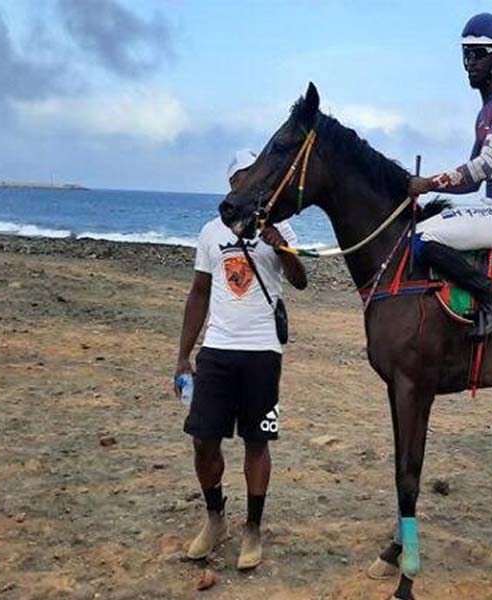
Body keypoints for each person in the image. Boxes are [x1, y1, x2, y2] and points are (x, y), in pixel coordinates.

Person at [173, 149, 307, 570]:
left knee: (257, 441)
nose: (244, 185)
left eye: (251, 178)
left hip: (263, 351)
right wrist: (182, 357)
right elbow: (198, 294)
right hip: (216, 350)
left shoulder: (279, 226)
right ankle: (215, 519)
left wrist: (281, 246)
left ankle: (252, 526)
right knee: (202, 439)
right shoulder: (211, 232)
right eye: (238, 180)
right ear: (232, 186)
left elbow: (301, 281)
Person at [406, 13, 492, 338]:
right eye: (466, 54)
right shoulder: (485, 112)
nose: (470, 62)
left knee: (423, 238)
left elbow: (483, 166)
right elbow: (473, 182)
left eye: (479, 54)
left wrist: (428, 183)